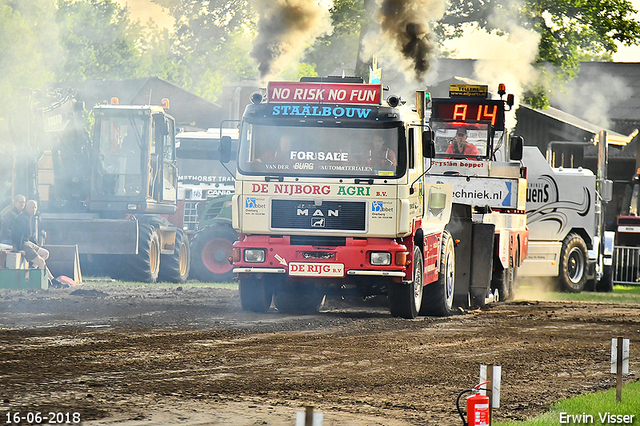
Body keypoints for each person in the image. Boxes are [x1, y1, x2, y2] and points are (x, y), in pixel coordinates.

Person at [12, 199, 54, 281]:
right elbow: (17, 235)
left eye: (35, 207)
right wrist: (19, 249)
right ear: (27, 208)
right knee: (41, 262)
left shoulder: (33, 218)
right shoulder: (22, 219)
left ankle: (31, 269)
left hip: (28, 242)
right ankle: (45, 281)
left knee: (45, 253)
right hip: (22, 244)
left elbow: (30, 236)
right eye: (31, 207)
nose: (34, 209)